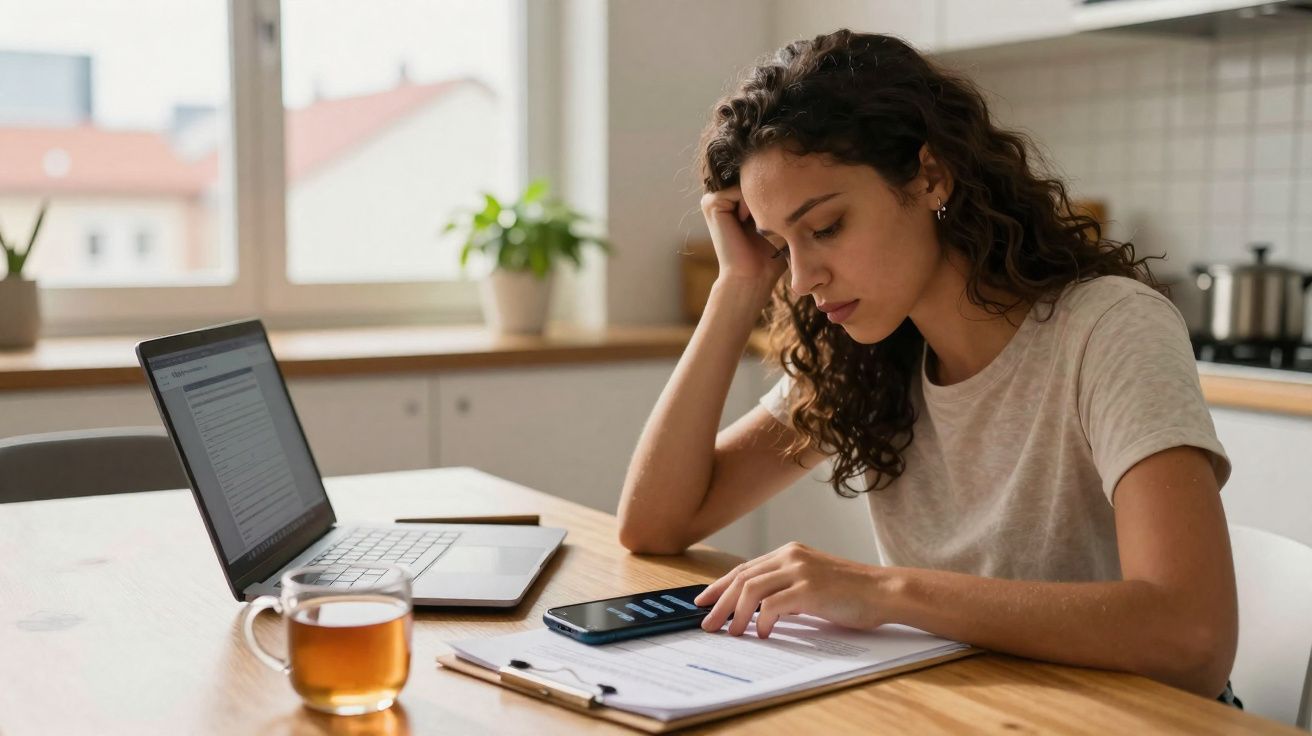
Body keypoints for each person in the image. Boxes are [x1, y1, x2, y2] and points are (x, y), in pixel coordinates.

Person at [616, 30, 1242, 705]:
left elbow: (1193, 639)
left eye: (824, 228)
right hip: (973, 711)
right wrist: (736, 286)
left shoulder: (1107, 329)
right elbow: (655, 525)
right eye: (777, 245)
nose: (800, 278)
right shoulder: (867, 350)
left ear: (930, 175)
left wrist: (885, 591)